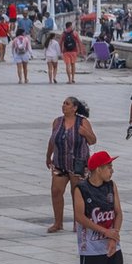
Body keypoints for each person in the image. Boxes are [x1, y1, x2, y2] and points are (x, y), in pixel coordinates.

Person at [46, 97, 96, 233]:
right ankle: (58, 223)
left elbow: (93, 140)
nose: (64, 106)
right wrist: (48, 156)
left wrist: (85, 133)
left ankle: (78, 223)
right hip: (60, 162)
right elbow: (52, 140)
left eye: (67, 104)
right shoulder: (57, 122)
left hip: (78, 163)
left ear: (75, 108)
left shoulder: (83, 122)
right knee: (56, 191)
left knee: (77, 193)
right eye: (63, 103)